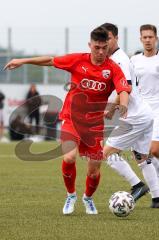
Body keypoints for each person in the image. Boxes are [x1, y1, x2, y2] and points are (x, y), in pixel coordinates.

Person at [4, 26, 131, 215]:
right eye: (97, 47)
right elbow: (50, 60)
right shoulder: (77, 60)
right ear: (90, 45)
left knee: (93, 171)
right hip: (72, 119)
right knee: (69, 157)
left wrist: (124, 104)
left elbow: (123, 89)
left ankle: (87, 198)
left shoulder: (112, 68)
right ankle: (70, 194)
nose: (101, 52)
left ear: (108, 46)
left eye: (104, 47)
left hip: (95, 125)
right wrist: (23, 60)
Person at [101, 23, 159, 208]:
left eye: (108, 38)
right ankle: (157, 198)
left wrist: (112, 107)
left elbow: (125, 87)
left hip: (139, 115)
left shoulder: (120, 60)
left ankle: (138, 185)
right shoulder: (130, 59)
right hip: (143, 111)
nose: (104, 43)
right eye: (102, 39)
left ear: (116, 38)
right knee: (143, 157)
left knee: (107, 154)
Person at [131, 24, 159, 179]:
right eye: (145, 37)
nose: (148, 40)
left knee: (154, 150)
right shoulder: (134, 60)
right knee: (141, 154)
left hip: (158, 110)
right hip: (142, 111)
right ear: (141, 39)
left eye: (151, 37)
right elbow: (130, 85)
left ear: (156, 38)